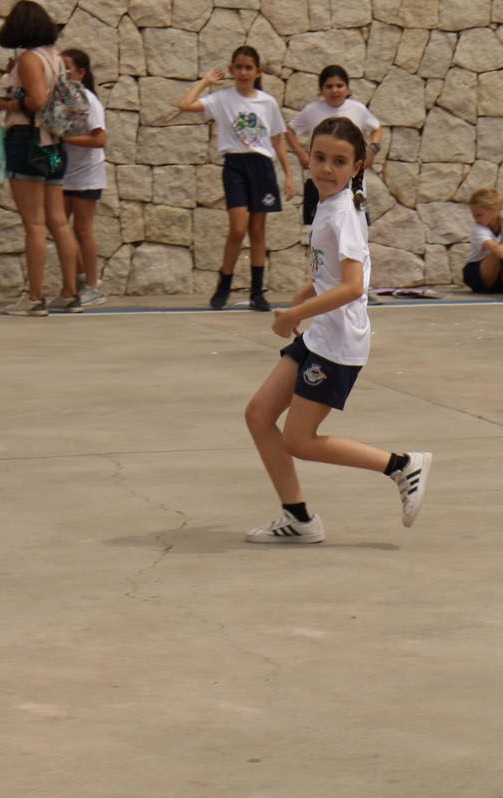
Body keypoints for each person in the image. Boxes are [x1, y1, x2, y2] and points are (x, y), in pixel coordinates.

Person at [242, 117, 430, 544]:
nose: (327, 168)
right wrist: (308, 290)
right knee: (258, 415)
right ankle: (299, 518)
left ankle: (401, 465)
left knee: (299, 440)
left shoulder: (344, 212)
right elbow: (342, 275)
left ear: (357, 166)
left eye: (339, 161)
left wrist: (295, 314)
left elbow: (352, 286)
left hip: (337, 342)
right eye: (321, 157)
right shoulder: (328, 203)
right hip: (320, 335)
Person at [0, 0, 83, 316]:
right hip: (53, 145)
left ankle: (35, 296)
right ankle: (70, 291)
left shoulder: (29, 59)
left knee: (34, 223)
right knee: (58, 221)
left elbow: (36, 101)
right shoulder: (55, 58)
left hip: (27, 141)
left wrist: (4, 105)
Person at [179, 45, 293, 312]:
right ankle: (224, 286)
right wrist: (206, 82)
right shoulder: (221, 99)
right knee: (238, 228)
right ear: (231, 70)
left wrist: (289, 175)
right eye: (238, 67)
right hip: (235, 166)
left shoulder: (267, 102)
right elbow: (184, 105)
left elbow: (277, 140)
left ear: (257, 71)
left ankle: (257, 291)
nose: (243, 72)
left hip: (262, 166)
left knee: (257, 230)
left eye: (248, 67)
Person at [287, 65, 382, 226]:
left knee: (355, 229)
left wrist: (372, 150)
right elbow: (290, 130)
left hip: (353, 184)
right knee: (317, 234)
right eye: (329, 86)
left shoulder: (358, 109)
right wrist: (301, 154)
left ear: (347, 89)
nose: (334, 90)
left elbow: (377, 128)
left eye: (339, 85)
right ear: (321, 90)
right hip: (320, 184)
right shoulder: (312, 111)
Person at [59, 48, 109, 309]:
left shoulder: (88, 100)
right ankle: (75, 282)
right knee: (62, 228)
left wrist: (66, 139)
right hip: (64, 172)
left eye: (67, 67)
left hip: (87, 173)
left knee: (82, 229)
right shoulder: (59, 99)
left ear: (80, 72)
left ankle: (92, 285)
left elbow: (99, 138)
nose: (62, 72)